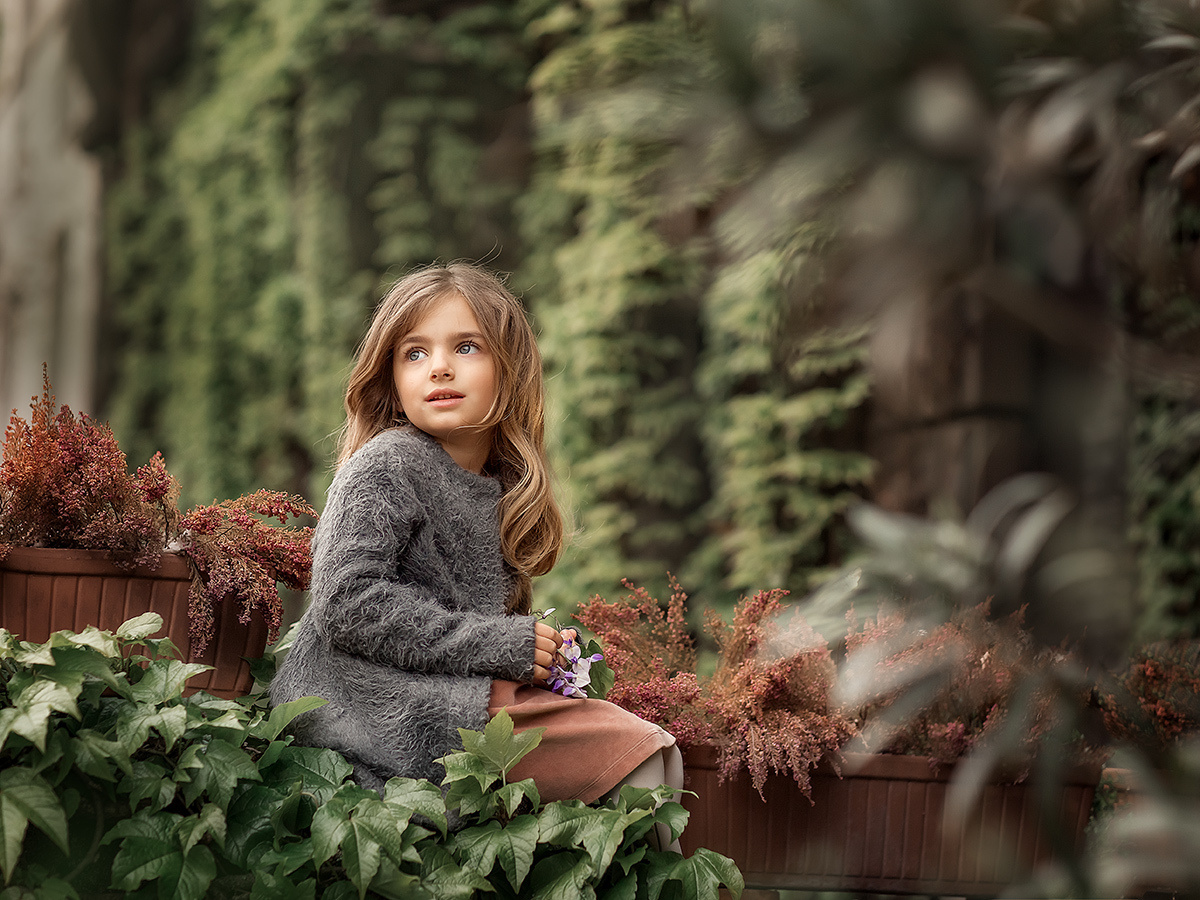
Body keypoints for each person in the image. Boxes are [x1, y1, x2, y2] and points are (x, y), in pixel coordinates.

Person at [271, 262, 682, 848]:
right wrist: (504, 644)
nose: (439, 366)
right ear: (391, 379)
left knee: (662, 760)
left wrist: (542, 656)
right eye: (414, 353)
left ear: (509, 370)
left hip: (447, 695)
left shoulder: (498, 487)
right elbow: (347, 601)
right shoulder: (387, 464)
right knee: (640, 753)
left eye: (466, 347)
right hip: (363, 708)